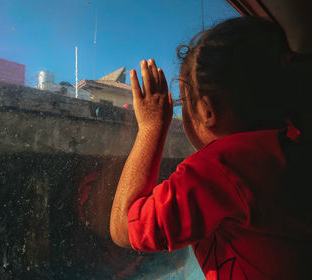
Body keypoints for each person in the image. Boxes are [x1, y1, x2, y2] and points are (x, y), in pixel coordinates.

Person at [110, 16, 312, 279]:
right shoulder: (294, 145)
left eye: (183, 102)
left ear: (207, 111)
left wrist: (151, 128)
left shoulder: (219, 169)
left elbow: (123, 228)